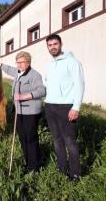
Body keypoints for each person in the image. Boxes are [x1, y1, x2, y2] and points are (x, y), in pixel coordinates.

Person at [0, 51, 45, 172]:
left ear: (28, 62)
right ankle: (28, 163)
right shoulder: (18, 72)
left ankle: (35, 166)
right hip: (19, 111)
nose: (19, 65)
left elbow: (42, 91)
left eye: (22, 62)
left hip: (31, 112)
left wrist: (24, 96)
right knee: (22, 137)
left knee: (31, 138)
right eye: (18, 62)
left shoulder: (34, 75)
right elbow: (9, 69)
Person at [44, 34, 85, 180]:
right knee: (56, 140)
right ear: (47, 47)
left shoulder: (72, 62)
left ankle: (75, 174)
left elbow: (80, 85)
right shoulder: (50, 64)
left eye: (55, 44)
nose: (53, 47)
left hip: (66, 107)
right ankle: (62, 169)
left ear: (61, 44)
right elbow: (47, 84)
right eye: (50, 45)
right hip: (50, 106)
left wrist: (76, 107)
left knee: (70, 141)